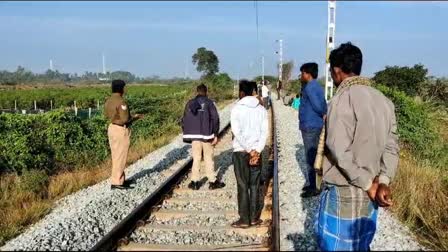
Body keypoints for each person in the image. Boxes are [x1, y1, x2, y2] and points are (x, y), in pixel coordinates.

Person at [315, 42, 399, 251]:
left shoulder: (341, 99)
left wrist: (367, 184)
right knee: (361, 245)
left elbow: (339, 151)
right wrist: (383, 182)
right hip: (372, 193)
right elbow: (391, 148)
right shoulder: (384, 101)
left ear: (336, 71)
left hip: (346, 191)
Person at [230, 80, 269, 229]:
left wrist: (248, 149)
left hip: (241, 152)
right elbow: (264, 132)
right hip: (256, 155)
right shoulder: (262, 109)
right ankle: (254, 218)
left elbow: (237, 132)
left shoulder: (236, 109)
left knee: (242, 184)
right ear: (253, 91)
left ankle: (244, 219)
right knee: (254, 185)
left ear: (241, 92)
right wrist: (256, 151)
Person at [182, 84, 226, 190]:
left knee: (196, 158)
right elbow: (215, 119)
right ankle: (212, 181)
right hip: (207, 136)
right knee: (208, 158)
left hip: (194, 137)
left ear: (197, 91)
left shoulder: (190, 103)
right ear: (206, 92)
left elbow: (183, 119)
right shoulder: (209, 103)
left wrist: (187, 132)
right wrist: (215, 134)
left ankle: (195, 182)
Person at [104, 79, 143, 190]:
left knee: (116, 156)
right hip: (120, 130)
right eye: (124, 87)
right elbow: (125, 119)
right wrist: (135, 117)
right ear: (121, 88)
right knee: (120, 156)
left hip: (111, 127)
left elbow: (107, 114)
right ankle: (117, 182)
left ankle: (120, 179)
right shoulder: (121, 102)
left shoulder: (108, 101)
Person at [298, 62, 327, 198]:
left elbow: (318, 106)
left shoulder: (309, 88)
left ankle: (314, 187)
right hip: (314, 124)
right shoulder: (317, 86)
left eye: (302, 73)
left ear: (308, 74)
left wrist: (322, 113)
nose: (301, 75)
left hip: (310, 126)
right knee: (315, 155)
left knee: (311, 157)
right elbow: (323, 104)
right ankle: (313, 183)